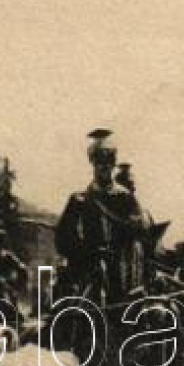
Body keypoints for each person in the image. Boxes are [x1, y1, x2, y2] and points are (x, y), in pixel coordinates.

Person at [54, 129, 148, 307]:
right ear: (92, 163)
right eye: (99, 161)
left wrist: (131, 230)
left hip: (124, 271)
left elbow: (140, 230)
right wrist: (87, 252)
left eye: (109, 160)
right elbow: (62, 240)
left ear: (114, 164)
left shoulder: (125, 197)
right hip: (90, 270)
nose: (104, 166)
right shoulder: (79, 200)